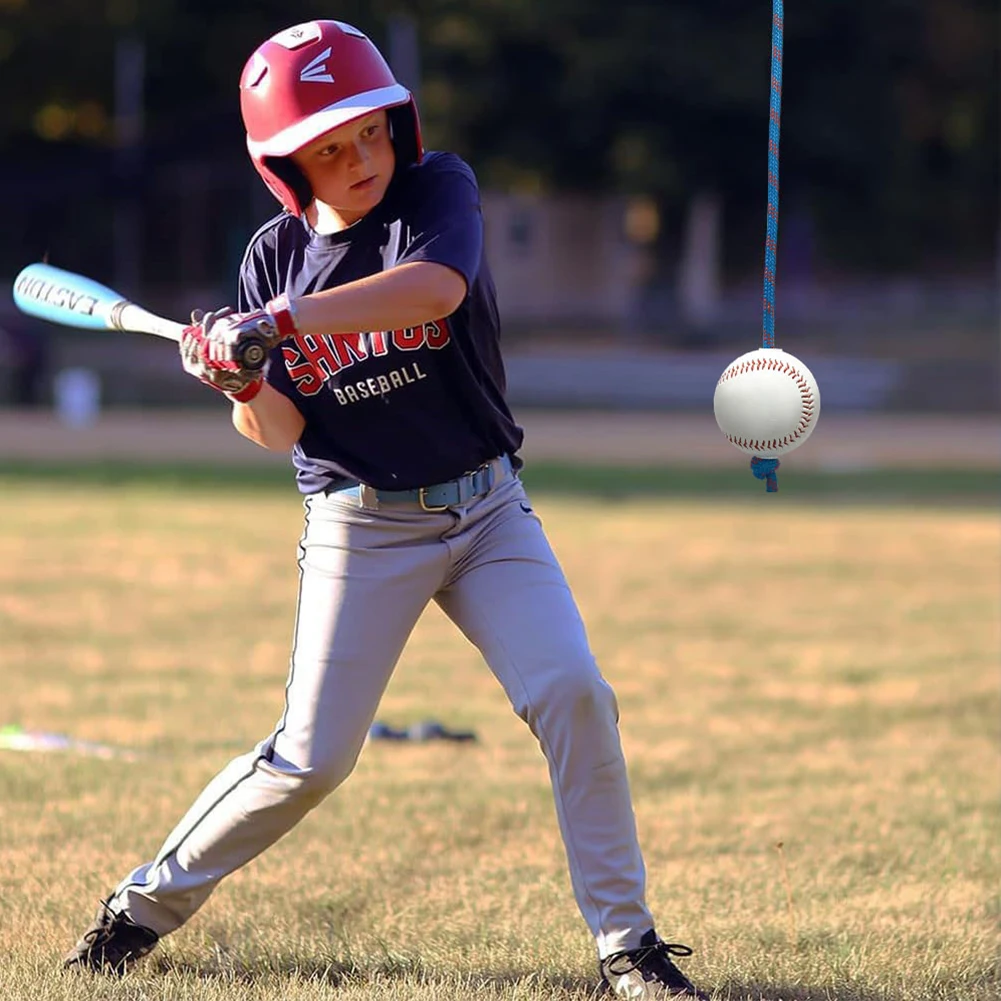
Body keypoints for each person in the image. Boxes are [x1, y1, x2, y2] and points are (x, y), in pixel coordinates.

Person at [62, 20, 708, 1000]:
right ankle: (139, 909)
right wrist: (235, 379)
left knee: (575, 690)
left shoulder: (434, 192)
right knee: (311, 759)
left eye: (367, 131)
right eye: (327, 147)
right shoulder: (269, 261)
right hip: (360, 525)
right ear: (285, 166)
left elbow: (432, 292)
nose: (358, 158)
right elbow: (280, 432)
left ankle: (629, 944)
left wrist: (270, 327)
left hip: (487, 509)